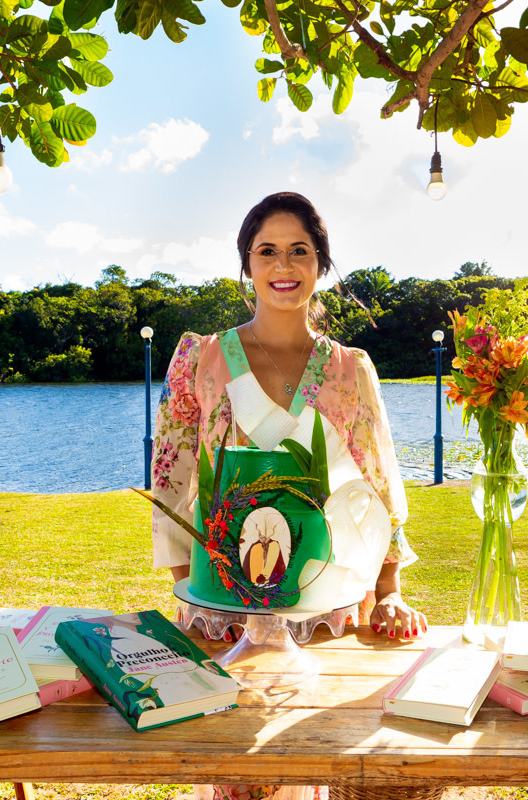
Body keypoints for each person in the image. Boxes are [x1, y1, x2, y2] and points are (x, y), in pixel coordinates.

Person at [150, 191, 428, 640]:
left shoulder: (352, 369)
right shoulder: (198, 359)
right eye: (267, 252)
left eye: (299, 251)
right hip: (223, 615)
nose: (283, 266)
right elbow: (172, 485)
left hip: (324, 606)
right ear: (247, 264)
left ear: (321, 263)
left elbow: (377, 486)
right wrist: (197, 594)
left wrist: (389, 592)